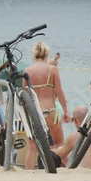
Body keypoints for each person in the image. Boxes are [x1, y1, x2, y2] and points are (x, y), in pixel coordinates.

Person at [23, 42, 71, 170]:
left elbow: (25, 95)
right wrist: (66, 111)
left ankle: (29, 175)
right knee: (59, 144)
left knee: (33, 148)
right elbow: (59, 92)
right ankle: (67, 170)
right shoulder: (52, 70)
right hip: (51, 111)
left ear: (34, 54)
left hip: (35, 112)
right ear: (47, 54)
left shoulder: (27, 71)